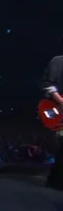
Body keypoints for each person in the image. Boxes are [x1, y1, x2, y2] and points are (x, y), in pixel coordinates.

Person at [41, 55, 63, 190]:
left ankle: (55, 180)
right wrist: (60, 101)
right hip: (57, 109)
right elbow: (47, 85)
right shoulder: (59, 61)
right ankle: (56, 181)